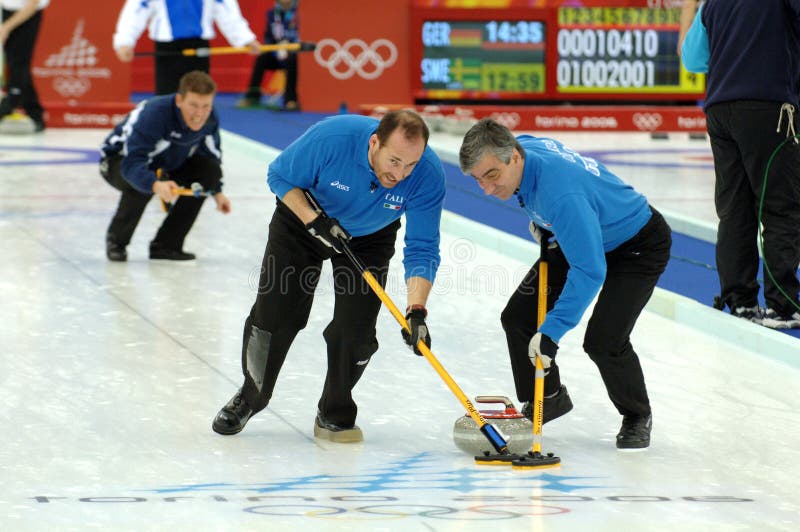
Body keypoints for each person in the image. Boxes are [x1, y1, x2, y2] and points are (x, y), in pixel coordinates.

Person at [212, 110, 446, 443]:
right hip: (303, 220)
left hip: (371, 236)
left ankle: (334, 410)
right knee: (275, 315)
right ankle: (252, 396)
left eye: (410, 165)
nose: (401, 174)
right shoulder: (332, 138)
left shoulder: (427, 175)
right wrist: (314, 220)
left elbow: (422, 247)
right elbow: (279, 176)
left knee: (357, 330)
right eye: (394, 161)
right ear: (374, 142)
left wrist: (417, 310)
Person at [458, 118, 672, 450]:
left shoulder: (560, 196)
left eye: (492, 176)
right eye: (477, 179)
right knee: (518, 318)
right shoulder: (524, 148)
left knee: (604, 340)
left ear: (514, 157)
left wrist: (551, 334)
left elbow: (589, 271)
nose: (486, 188)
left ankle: (636, 415)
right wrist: (541, 221)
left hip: (636, 246)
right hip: (580, 232)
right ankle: (549, 397)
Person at [681, 0, 800, 329]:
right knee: (779, 206)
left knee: (735, 208)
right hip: (769, 105)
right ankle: (783, 305)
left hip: (719, 109)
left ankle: (741, 301)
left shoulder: (713, 3)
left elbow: (692, 59)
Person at [100, 70, 231, 262]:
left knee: (209, 172)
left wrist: (216, 191)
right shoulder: (154, 114)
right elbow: (132, 163)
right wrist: (155, 184)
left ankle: (166, 245)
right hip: (117, 162)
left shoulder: (209, 118)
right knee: (142, 182)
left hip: (164, 164)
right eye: (193, 105)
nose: (200, 114)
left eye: (206, 106)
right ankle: (116, 242)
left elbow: (211, 155)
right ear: (179, 100)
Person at [112, 0, 261, 95]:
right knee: (166, 98)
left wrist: (246, 39)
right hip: (167, 48)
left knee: (200, 95)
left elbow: (226, 9)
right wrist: (125, 40)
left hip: (198, 46)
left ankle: (199, 140)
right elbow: (136, 9)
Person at [237, 0, 299, 111]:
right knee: (262, 58)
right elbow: (268, 38)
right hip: (277, 53)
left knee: (292, 60)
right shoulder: (272, 13)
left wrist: (291, 48)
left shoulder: (301, 12)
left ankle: (290, 100)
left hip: (295, 55)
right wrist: (277, 50)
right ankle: (252, 96)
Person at [0, 0, 48, 132]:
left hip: (26, 15)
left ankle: (11, 102)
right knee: (14, 64)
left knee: (19, 63)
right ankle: (34, 112)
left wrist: (6, 27)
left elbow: (32, 5)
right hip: (6, 11)